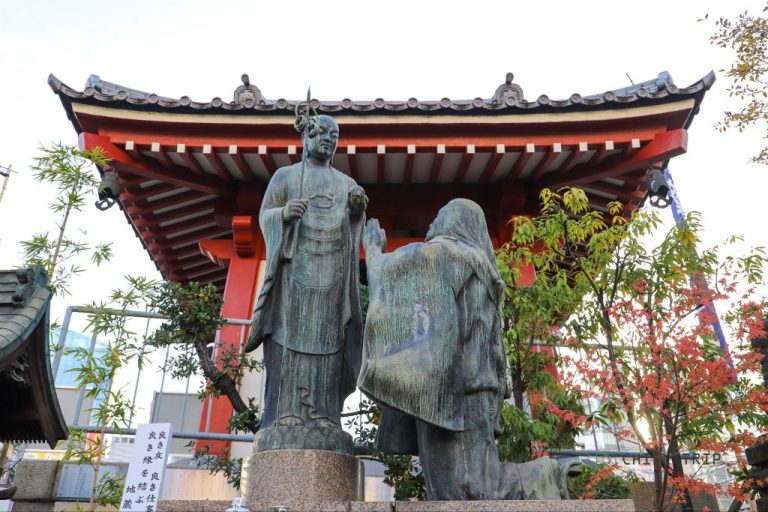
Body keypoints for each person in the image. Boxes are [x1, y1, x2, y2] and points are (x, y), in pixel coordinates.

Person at [360, 199, 568, 500]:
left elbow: (397, 273)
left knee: (466, 487)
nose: (431, 225)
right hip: (473, 390)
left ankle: (542, 476)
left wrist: (375, 252)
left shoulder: (450, 254)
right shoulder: (480, 268)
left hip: (455, 392)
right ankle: (538, 479)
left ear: (456, 222)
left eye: (439, 216)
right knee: (453, 487)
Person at [245, 115, 367, 439]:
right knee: (290, 343)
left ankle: (326, 415)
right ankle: (286, 413)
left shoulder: (345, 184)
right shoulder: (286, 177)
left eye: (335, 134)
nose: (328, 138)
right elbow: (265, 215)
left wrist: (356, 209)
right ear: (306, 137)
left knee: (330, 345)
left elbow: (356, 217)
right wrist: (283, 215)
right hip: (293, 276)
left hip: (332, 276)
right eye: (322, 132)